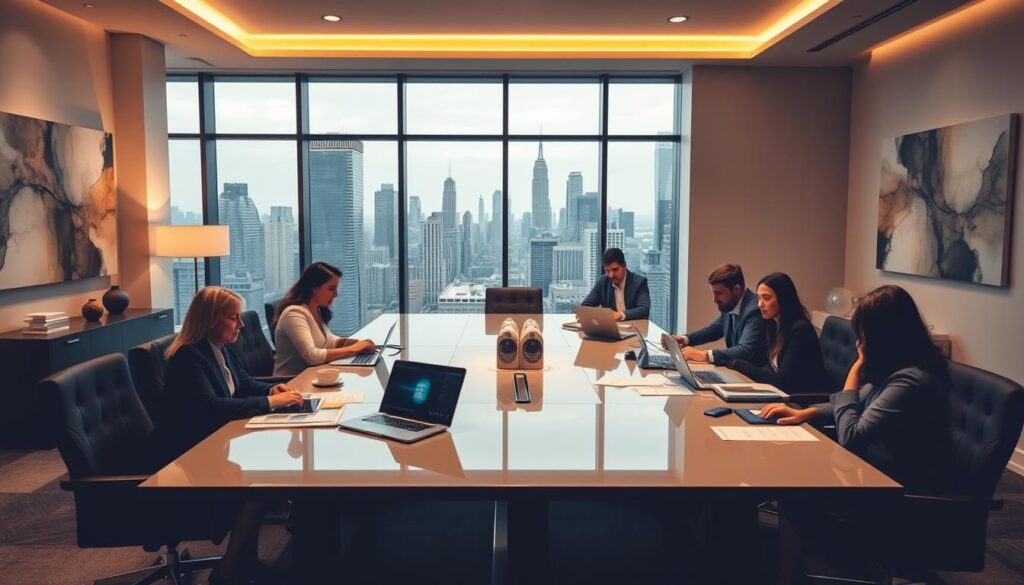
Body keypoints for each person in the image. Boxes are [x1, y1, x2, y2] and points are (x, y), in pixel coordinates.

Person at [153, 286, 305, 585]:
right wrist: (270, 403)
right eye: (234, 318)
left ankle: (246, 562)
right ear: (211, 319)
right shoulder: (189, 357)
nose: (241, 324)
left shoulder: (220, 347)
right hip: (182, 457)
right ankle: (229, 570)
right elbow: (211, 408)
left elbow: (243, 383)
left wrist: (272, 389)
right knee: (258, 488)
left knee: (267, 481)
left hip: (212, 443)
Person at [761, 284, 952, 490]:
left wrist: (856, 367)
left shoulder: (909, 381)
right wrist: (806, 412)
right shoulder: (895, 368)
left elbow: (850, 437)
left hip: (899, 493)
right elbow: (858, 399)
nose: (859, 341)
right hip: (874, 473)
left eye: (863, 333)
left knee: (797, 486)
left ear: (883, 335)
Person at [727, 273, 827, 394]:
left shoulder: (801, 331)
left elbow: (783, 383)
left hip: (800, 403)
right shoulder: (772, 324)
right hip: (779, 395)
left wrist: (739, 365)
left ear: (783, 299)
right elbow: (767, 367)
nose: (760, 304)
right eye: (759, 298)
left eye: (766, 298)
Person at [272, 262, 377, 376]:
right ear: (314, 288)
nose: (336, 294)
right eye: (332, 288)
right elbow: (312, 356)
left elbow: (330, 342)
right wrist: (353, 348)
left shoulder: (316, 310)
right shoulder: (293, 314)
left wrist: (357, 343)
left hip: (313, 377)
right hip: (291, 384)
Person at [664, 264, 767, 366]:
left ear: (736, 289)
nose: (714, 299)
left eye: (719, 293)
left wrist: (706, 356)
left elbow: (745, 350)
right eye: (713, 293)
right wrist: (684, 339)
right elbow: (714, 330)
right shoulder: (730, 305)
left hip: (752, 378)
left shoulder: (754, 310)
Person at [580, 247, 651, 320]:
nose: (611, 275)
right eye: (607, 271)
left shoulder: (639, 282)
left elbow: (644, 309)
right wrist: (585, 314)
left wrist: (620, 315)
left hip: (636, 328)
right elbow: (585, 307)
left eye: (615, 270)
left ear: (624, 266)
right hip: (610, 328)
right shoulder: (602, 282)